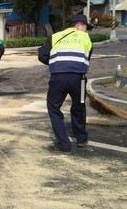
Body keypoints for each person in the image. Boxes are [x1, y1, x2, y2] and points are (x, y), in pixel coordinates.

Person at [37, 14, 93, 153]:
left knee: (54, 108)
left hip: (58, 79)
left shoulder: (55, 37)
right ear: (79, 25)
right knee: (79, 106)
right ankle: (81, 139)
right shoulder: (86, 38)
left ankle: (64, 144)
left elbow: (42, 55)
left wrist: (57, 62)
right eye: (86, 27)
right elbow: (86, 56)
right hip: (79, 79)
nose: (86, 30)